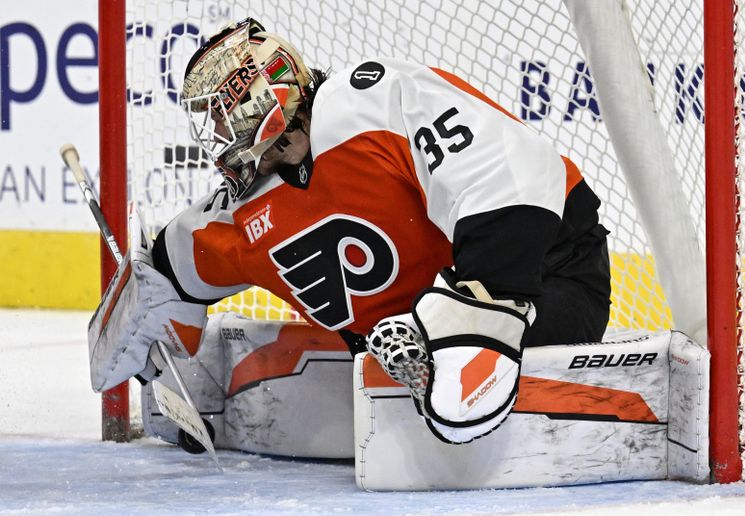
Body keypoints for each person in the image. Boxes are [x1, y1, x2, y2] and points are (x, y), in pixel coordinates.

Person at [89, 18, 611, 445]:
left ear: (262, 104)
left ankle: (453, 339)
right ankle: (428, 347)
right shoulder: (244, 213)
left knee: (464, 362)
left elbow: (506, 175)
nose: (219, 136)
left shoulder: (370, 101)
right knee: (404, 355)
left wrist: (478, 310)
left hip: (548, 277)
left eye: (224, 116)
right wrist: (151, 316)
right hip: (405, 340)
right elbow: (173, 263)